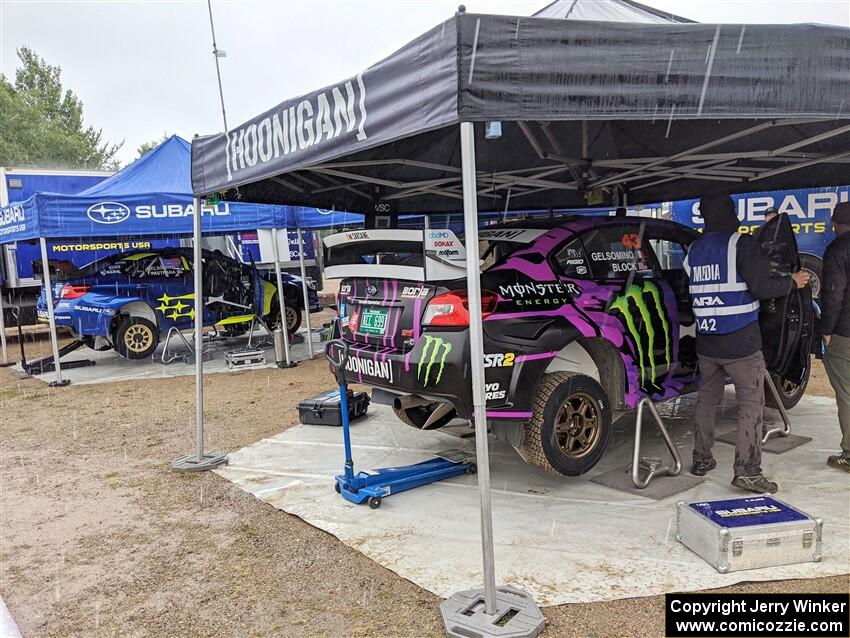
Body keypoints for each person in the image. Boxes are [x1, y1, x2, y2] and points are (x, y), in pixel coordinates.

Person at [683, 194, 810, 494]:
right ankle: (748, 471)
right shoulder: (740, 243)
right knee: (752, 403)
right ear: (731, 213)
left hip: (707, 342)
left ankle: (701, 460)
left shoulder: (693, 250)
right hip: (741, 342)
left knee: (707, 401)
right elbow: (763, 287)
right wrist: (793, 281)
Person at [821, 201, 850, 473]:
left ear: (835, 224)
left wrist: (826, 330)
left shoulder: (838, 250)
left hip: (845, 333)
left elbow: (833, 294)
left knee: (847, 393)